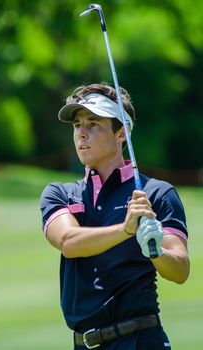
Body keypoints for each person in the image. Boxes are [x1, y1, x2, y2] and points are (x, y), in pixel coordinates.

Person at [40, 83, 190, 350]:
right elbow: (68, 242)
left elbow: (180, 270)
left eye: (93, 123)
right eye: (77, 125)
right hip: (83, 344)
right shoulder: (60, 193)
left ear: (122, 133)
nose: (81, 134)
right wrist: (126, 230)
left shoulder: (155, 193)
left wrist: (156, 252)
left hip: (140, 339)